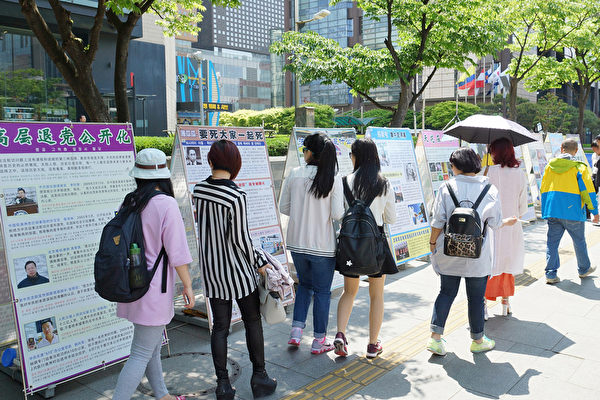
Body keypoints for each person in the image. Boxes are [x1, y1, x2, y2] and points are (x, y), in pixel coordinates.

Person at [193, 140, 276, 400]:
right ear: (235, 164)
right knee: (252, 321)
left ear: (211, 161)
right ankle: (259, 377)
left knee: (220, 328)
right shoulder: (235, 196)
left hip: (213, 271)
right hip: (238, 273)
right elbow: (241, 239)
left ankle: (223, 385)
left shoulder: (199, 190)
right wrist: (259, 262)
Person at [113, 148, 194, 400]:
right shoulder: (165, 204)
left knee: (151, 347)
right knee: (140, 352)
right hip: (153, 289)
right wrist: (188, 286)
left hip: (132, 283)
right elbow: (177, 251)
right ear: (163, 176)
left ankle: (162, 394)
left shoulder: (130, 201)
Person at [426, 148, 517, 356]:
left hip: (449, 251)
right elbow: (494, 223)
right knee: (476, 298)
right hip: (478, 254)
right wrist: (508, 222)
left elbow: (438, 220)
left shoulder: (446, 187)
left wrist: (432, 243)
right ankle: (477, 340)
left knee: (446, 292)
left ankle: (435, 339)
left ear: (456, 166)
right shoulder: (490, 189)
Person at [279, 132, 344, 354]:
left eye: (304, 150)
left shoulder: (295, 174)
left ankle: (296, 332)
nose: (303, 154)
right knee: (323, 291)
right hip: (322, 246)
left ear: (310, 152)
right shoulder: (333, 178)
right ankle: (318, 341)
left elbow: (283, 208)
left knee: (304, 285)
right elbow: (337, 214)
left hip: (296, 243)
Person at [333, 138, 397, 359]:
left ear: (355, 157)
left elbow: (337, 215)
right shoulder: (384, 183)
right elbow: (391, 218)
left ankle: (340, 334)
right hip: (375, 246)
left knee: (349, 292)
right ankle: (372, 345)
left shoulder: (343, 181)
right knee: (376, 295)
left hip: (351, 246)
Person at [541, 139, 598, 284]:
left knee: (552, 242)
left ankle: (551, 273)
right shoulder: (579, 167)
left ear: (561, 148)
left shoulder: (549, 166)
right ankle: (584, 269)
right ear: (576, 150)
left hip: (553, 210)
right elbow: (588, 192)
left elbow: (544, 188)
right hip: (573, 210)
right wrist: (594, 211)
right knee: (579, 241)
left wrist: (546, 209)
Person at [484, 138, 528, 317]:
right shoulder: (519, 173)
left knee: (488, 264)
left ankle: (483, 304)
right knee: (508, 263)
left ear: (494, 152)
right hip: (512, 225)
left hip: (491, 226)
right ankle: (505, 302)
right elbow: (523, 206)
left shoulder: (488, 172)